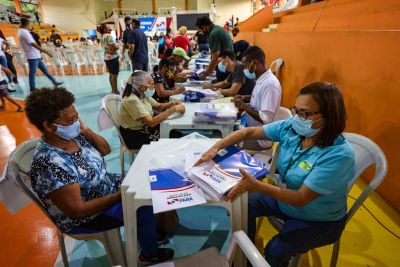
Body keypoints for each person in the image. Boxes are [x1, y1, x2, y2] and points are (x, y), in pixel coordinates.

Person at [196, 82, 354, 267]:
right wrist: (216, 147)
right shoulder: (292, 128)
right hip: (287, 201)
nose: (297, 118)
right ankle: (246, 255)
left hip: (319, 220)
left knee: (275, 251)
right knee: (245, 205)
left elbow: (301, 198)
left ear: (328, 115)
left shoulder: (338, 155)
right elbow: (248, 132)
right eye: (296, 110)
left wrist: (256, 185)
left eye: (304, 113)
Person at [25, 87, 174, 264]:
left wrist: (86, 130)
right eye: (70, 120)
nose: (76, 122)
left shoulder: (71, 136)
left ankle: (146, 230)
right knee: (141, 204)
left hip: (106, 187)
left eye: (77, 116)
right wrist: (119, 196)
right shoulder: (50, 163)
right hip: (88, 216)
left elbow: (105, 149)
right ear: (48, 126)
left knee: (149, 179)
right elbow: (77, 210)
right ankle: (149, 253)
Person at [119, 71, 185, 149]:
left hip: (146, 128)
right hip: (135, 136)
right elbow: (151, 122)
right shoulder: (131, 100)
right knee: (173, 141)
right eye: (151, 84)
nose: (153, 86)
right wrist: (174, 109)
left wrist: (173, 103)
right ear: (141, 86)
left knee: (177, 135)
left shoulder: (142, 94)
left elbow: (159, 106)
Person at [233, 46, 281, 150]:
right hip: (253, 128)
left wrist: (243, 106)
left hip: (262, 139)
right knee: (231, 130)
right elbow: (261, 99)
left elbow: (266, 119)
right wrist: (246, 98)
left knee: (230, 142)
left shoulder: (270, 84)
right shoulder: (261, 79)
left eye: (245, 66)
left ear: (255, 63)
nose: (244, 70)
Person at [18, 18, 63, 91]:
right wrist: (46, 51)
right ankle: (32, 88)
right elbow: (33, 44)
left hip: (35, 55)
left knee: (44, 70)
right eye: (30, 24)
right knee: (32, 72)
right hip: (33, 56)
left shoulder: (20, 31)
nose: (31, 25)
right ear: (27, 24)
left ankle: (54, 82)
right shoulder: (25, 33)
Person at [195, 16, 233, 82]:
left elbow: (215, 58)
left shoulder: (214, 34)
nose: (201, 32)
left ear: (204, 27)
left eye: (200, 30)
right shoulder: (217, 29)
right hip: (228, 64)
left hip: (225, 66)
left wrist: (205, 73)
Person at [97, 23, 119, 95]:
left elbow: (107, 47)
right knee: (114, 75)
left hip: (107, 57)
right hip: (112, 58)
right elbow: (114, 47)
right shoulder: (108, 36)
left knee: (111, 74)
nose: (110, 28)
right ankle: (115, 91)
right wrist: (117, 46)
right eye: (108, 27)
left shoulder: (102, 37)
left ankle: (113, 89)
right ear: (104, 29)